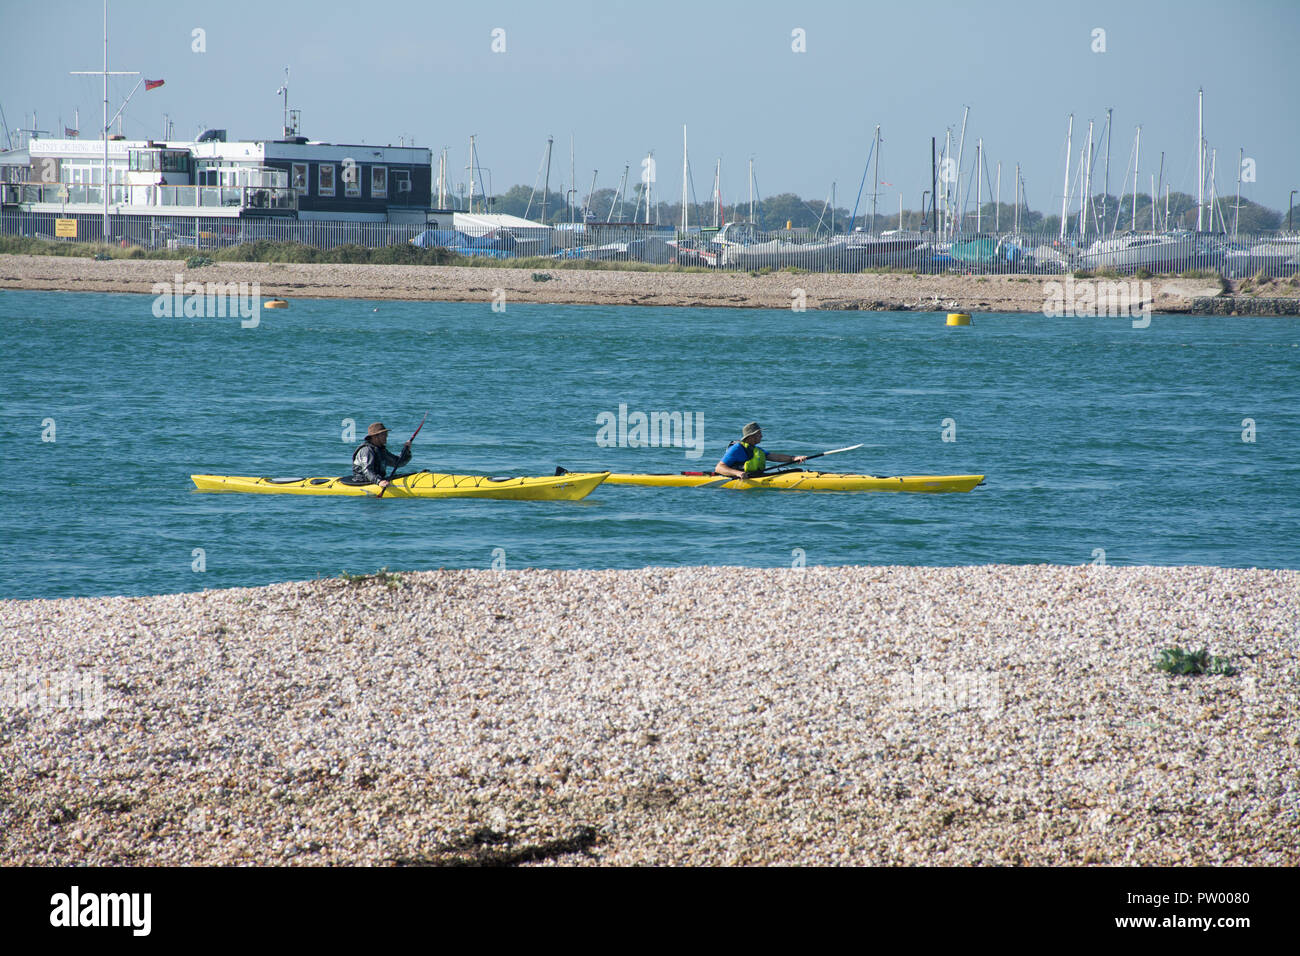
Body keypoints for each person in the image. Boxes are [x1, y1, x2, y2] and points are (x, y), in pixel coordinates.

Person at [714, 422, 807, 479]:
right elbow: (719, 468)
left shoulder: (756, 450)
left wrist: (794, 458)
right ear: (750, 437)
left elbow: (773, 456)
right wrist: (738, 473)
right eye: (759, 434)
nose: (761, 436)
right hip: (734, 482)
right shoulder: (737, 448)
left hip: (754, 477)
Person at [352, 422, 412, 487]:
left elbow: (398, 463)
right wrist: (379, 482)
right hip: (363, 482)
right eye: (383, 434)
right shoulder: (366, 450)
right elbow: (367, 470)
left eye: (386, 434)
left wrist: (406, 450)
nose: (386, 436)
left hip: (377, 480)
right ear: (375, 437)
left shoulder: (381, 450)